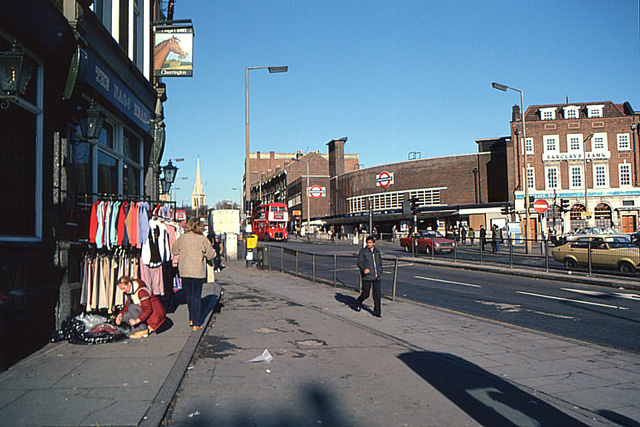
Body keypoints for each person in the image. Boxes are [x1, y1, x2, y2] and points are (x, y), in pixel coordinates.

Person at [172, 218, 216, 331]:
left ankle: (191, 318)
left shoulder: (183, 238)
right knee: (196, 297)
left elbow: (174, 250)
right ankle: (196, 322)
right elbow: (211, 255)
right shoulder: (202, 239)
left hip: (184, 271)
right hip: (198, 271)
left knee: (189, 295)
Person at [355, 236, 383, 317]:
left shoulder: (377, 252)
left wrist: (380, 270)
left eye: (370, 242)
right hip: (367, 276)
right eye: (367, 242)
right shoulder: (363, 251)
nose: (368, 244)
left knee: (377, 294)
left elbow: (379, 262)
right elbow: (360, 262)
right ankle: (359, 301)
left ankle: (377, 312)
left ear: (373, 243)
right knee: (365, 293)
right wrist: (364, 269)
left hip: (376, 276)